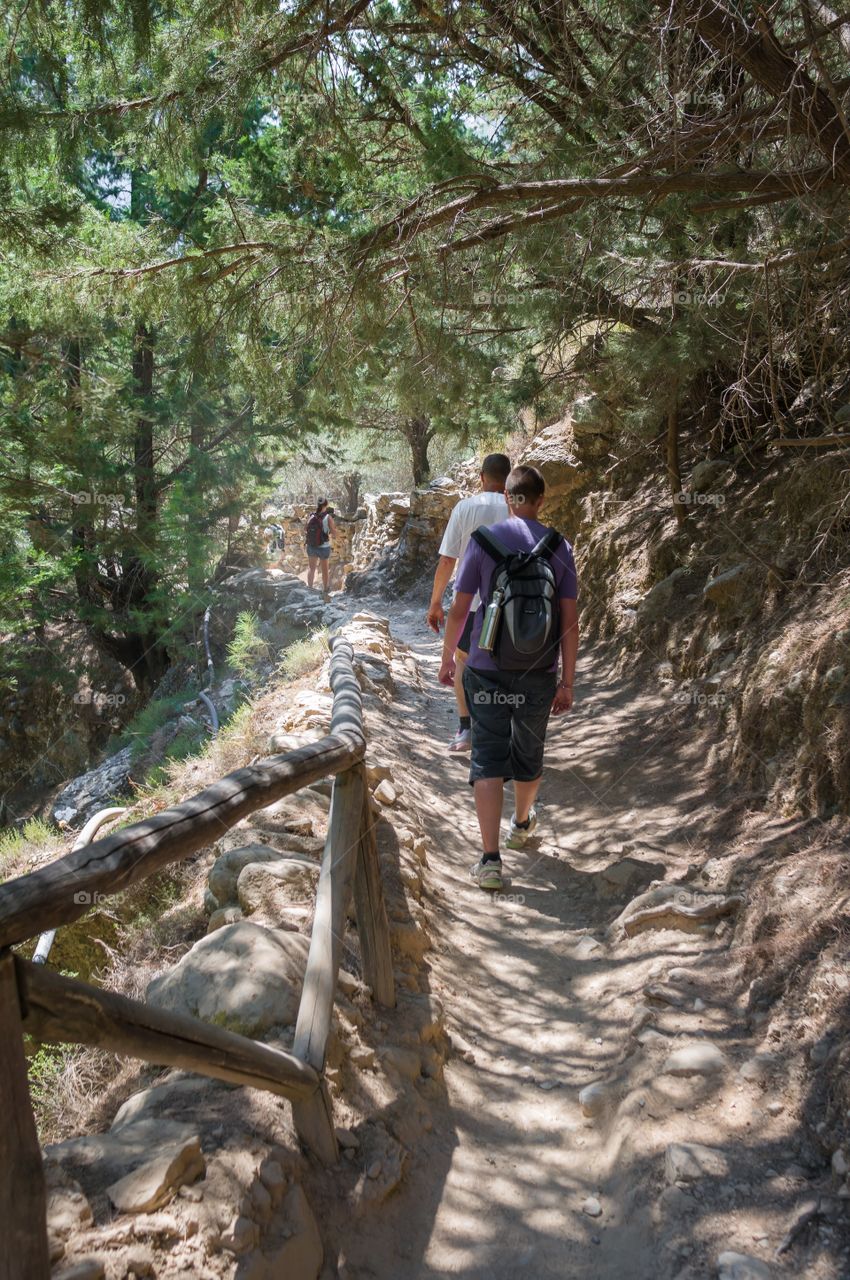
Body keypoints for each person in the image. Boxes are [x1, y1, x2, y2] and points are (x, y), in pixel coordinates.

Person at [437, 464, 579, 892]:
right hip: (539, 672)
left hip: (484, 668)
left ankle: (490, 860)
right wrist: (567, 681)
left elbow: (460, 609)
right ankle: (521, 824)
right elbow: (570, 621)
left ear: (506, 500)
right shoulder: (560, 546)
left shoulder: (482, 543)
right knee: (529, 753)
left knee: (487, 760)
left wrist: (447, 657)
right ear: (540, 500)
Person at [427, 453, 511, 753]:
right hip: (511, 604)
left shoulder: (465, 508)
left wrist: (435, 602)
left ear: (481, 477)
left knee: (462, 664)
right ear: (508, 479)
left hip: (472, 601)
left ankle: (466, 729)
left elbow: (448, 559)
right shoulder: (518, 508)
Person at [306, 499, 336, 594]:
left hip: (311, 545)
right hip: (324, 546)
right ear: (326, 505)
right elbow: (334, 533)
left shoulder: (311, 516)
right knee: (324, 570)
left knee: (311, 568)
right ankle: (325, 589)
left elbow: (305, 529)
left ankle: (310, 588)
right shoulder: (328, 517)